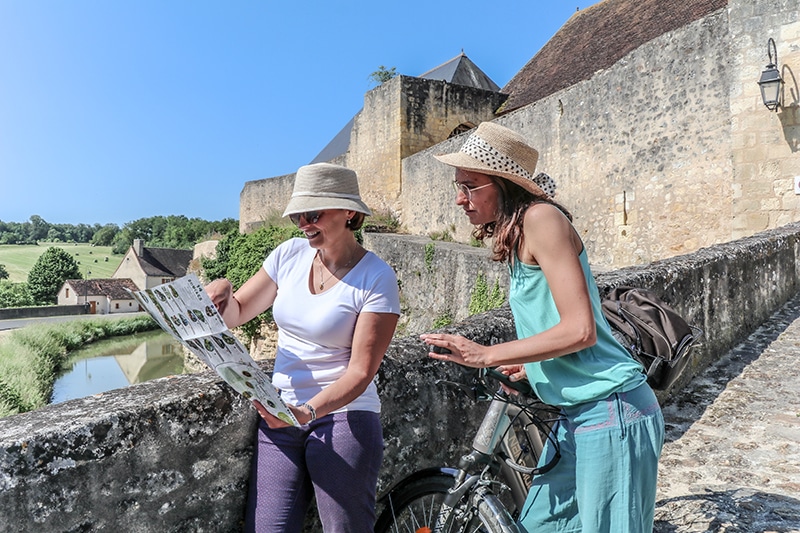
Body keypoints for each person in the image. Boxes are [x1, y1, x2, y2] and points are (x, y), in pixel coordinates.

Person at [420, 122, 664, 533]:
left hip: (610, 411)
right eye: (457, 185)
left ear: (503, 184)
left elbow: (581, 329)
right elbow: (556, 329)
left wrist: (489, 354)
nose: (460, 198)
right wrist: (532, 367)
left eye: (471, 185)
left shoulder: (542, 218)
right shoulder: (516, 236)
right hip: (575, 417)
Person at [205, 162, 400, 532]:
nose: (303, 224)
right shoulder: (289, 255)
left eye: (313, 213)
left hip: (345, 416)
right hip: (281, 413)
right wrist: (222, 292)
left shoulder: (377, 277)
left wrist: (306, 412)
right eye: (298, 215)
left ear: (348, 212)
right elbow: (238, 312)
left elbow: (361, 372)